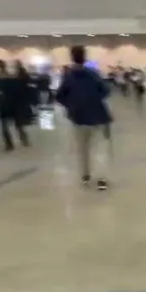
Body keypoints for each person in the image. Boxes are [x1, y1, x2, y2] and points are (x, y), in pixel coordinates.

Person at [55, 45, 112, 190]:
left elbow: (59, 96)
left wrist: (72, 105)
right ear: (85, 57)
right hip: (98, 116)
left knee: (82, 148)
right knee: (99, 148)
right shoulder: (93, 74)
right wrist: (95, 100)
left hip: (78, 118)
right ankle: (101, 178)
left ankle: (85, 175)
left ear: (71, 57)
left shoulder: (68, 76)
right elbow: (106, 90)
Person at [0, 60, 34, 151]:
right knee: (18, 125)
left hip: (5, 106)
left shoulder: (0, 81)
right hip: (14, 106)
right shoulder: (18, 81)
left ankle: (10, 144)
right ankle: (23, 140)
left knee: (6, 125)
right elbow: (24, 93)